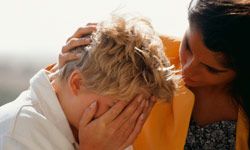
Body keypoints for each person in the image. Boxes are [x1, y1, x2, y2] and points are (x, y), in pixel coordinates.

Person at [59, 0, 250, 149]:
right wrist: (66, 65)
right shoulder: (146, 57)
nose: (187, 69)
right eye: (188, 47)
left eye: (211, 69)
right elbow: (65, 95)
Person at [0, 15, 176, 149]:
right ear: (76, 83)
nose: (124, 121)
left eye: (135, 110)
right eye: (114, 108)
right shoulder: (15, 136)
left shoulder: (106, 131)